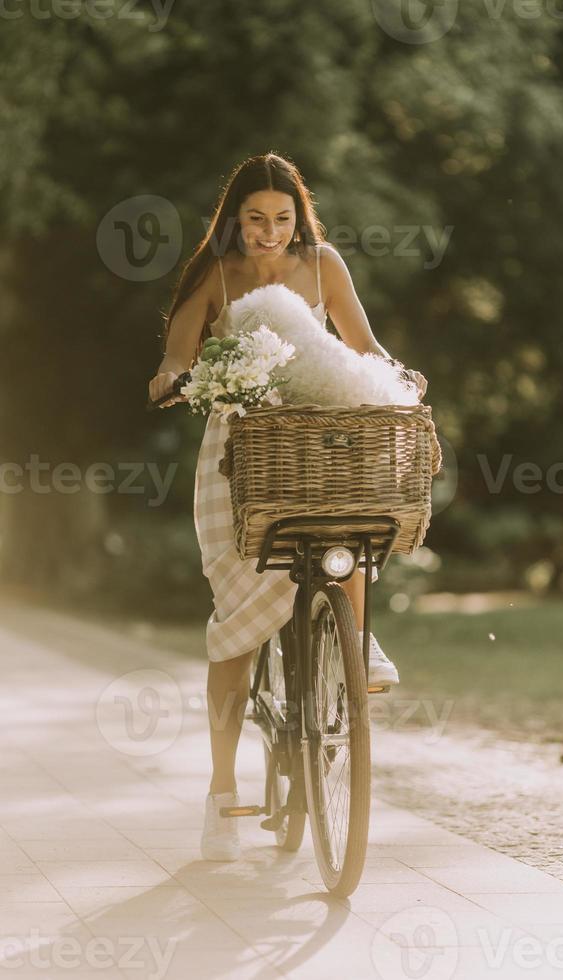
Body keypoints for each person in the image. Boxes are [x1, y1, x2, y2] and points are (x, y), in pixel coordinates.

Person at [148, 152, 428, 861]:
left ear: (299, 218)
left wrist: (403, 377)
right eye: (255, 220)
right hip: (244, 450)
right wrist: (178, 381)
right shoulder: (214, 274)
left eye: (283, 219)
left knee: (355, 521)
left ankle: (356, 648)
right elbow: (174, 358)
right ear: (233, 220)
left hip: (316, 435)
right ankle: (219, 789)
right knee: (237, 632)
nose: (270, 234)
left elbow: (363, 344)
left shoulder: (323, 264)